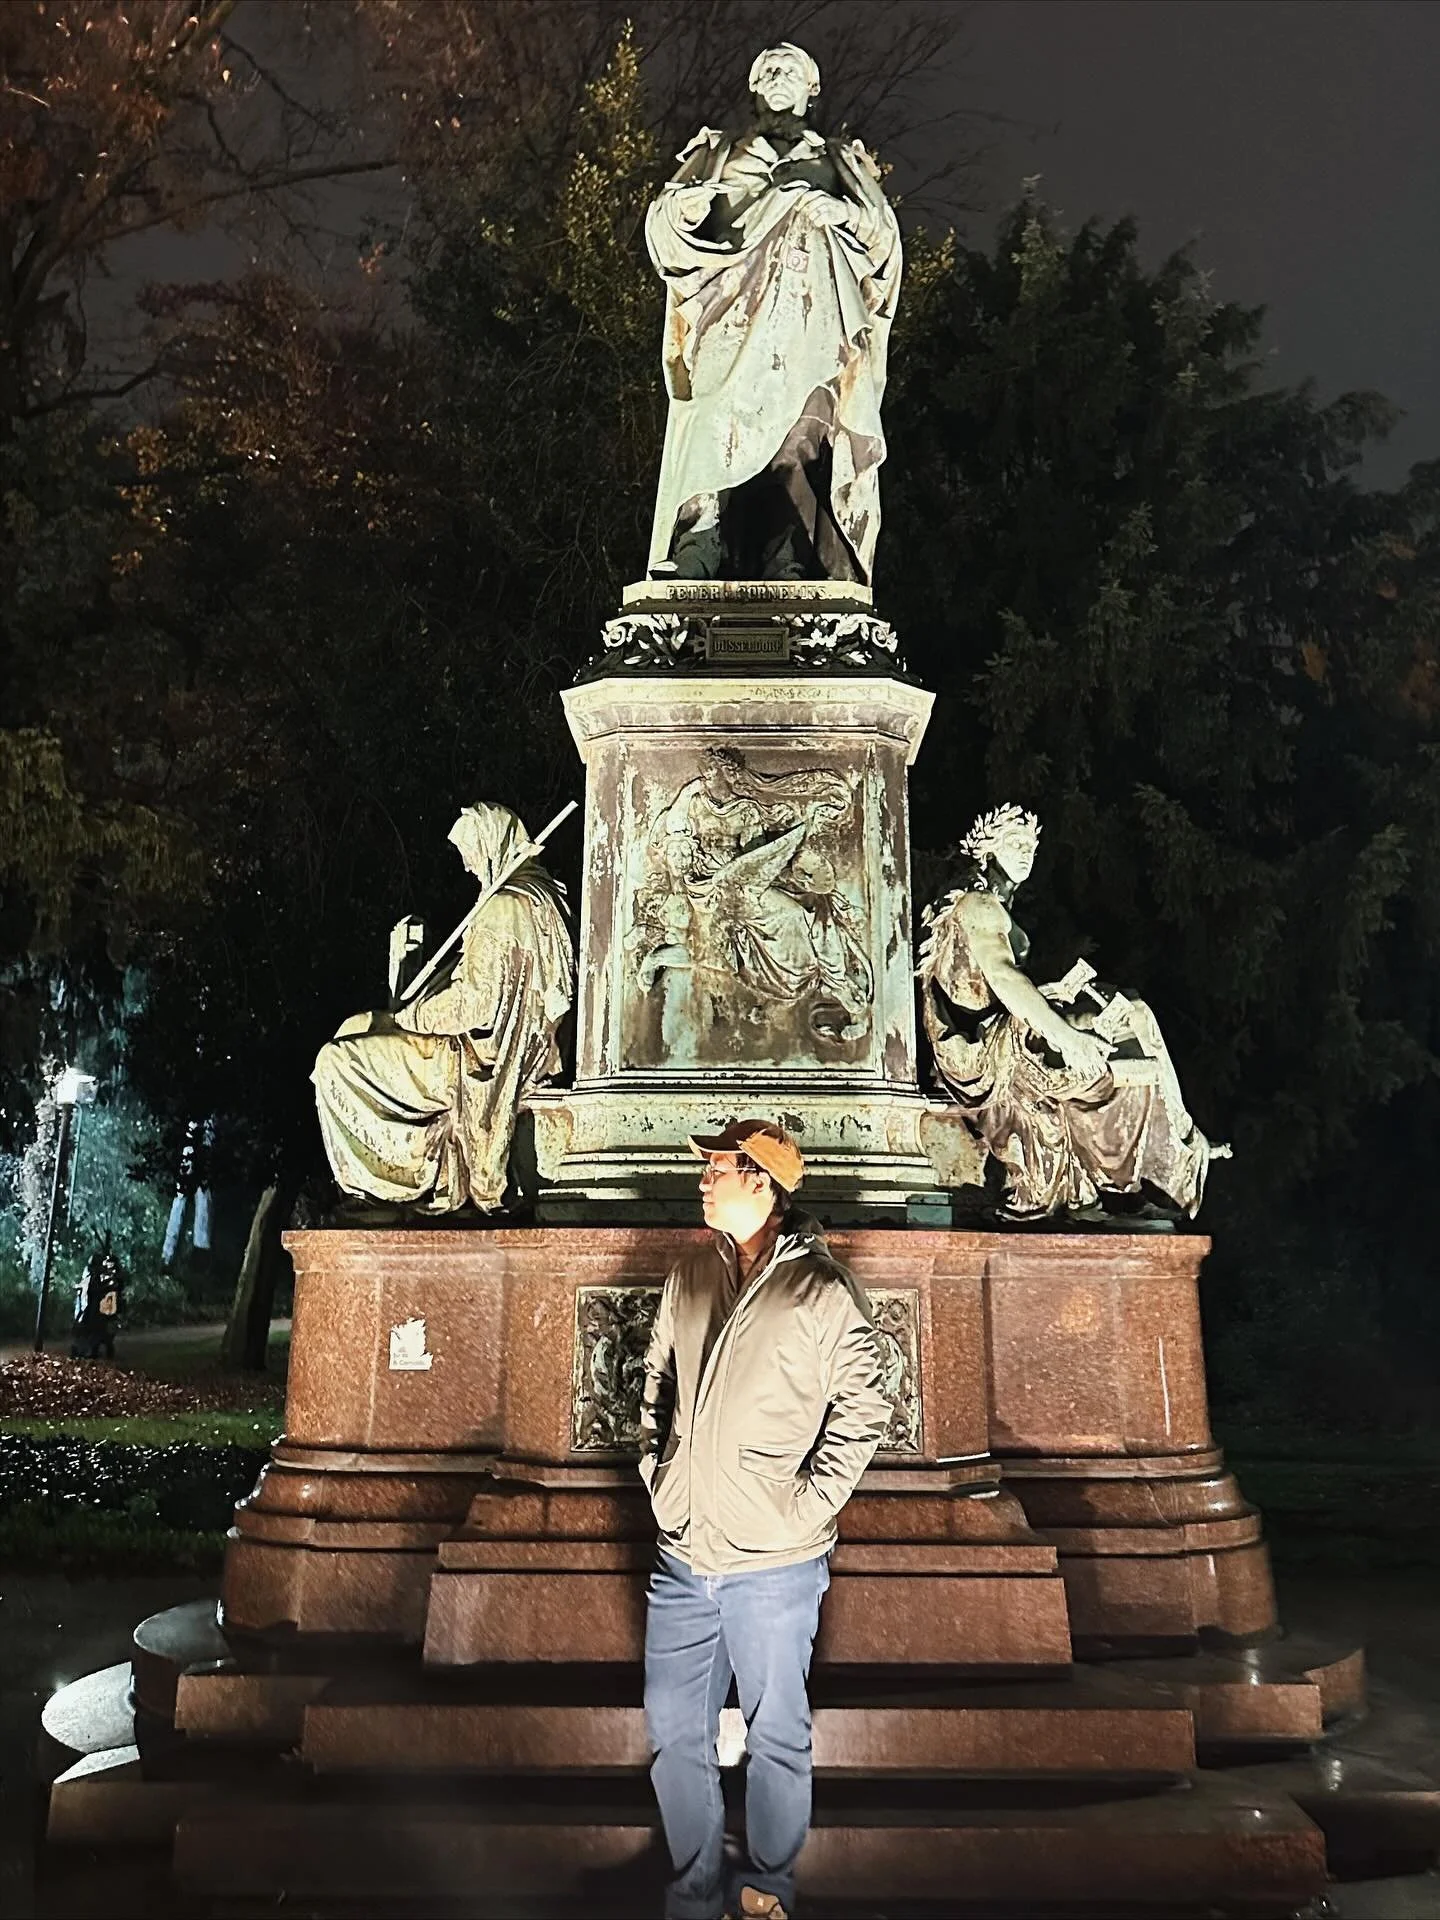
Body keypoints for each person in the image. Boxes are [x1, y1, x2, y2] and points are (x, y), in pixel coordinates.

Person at [639, 1120, 889, 1920]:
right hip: (682, 1553)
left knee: (776, 1735)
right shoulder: (690, 1271)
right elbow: (654, 1383)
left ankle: (768, 1894)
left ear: (762, 1182)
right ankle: (693, 1894)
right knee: (675, 1738)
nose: (703, 1182)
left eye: (717, 1170)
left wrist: (805, 1505)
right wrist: (658, 1475)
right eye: (708, 1170)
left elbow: (865, 1405)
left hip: (773, 1563)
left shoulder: (819, 1288)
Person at [645, 43, 902, 583]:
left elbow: (884, 241)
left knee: (799, 439)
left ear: (813, 89)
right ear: (754, 86)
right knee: (714, 425)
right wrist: (683, 211)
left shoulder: (839, 160)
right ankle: (698, 541)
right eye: (769, 70)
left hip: (812, 320)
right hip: (729, 312)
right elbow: (662, 228)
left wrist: (845, 212)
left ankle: (788, 554)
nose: (779, 76)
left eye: (792, 70)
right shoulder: (717, 152)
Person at [918, 804, 1228, 1219]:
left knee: (1133, 1010)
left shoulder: (993, 906)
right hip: (980, 1050)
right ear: (986, 849)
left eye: (1031, 843)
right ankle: (1155, 1167)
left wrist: (1058, 996)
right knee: (1129, 1022)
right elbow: (1005, 979)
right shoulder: (979, 905)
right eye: (1015, 842)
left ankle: (1183, 1134)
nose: (1027, 851)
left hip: (999, 1028)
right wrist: (1069, 1038)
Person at [312, 803, 573, 1213]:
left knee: (334, 1061)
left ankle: (385, 1182)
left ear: (489, 845)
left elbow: (474, 1005)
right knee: (356, 1026)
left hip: (473, 1058)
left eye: (470, 854)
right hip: (516, 1051)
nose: (469, 868)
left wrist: (411, 1016)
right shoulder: (544, 899)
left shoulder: (501, 907)